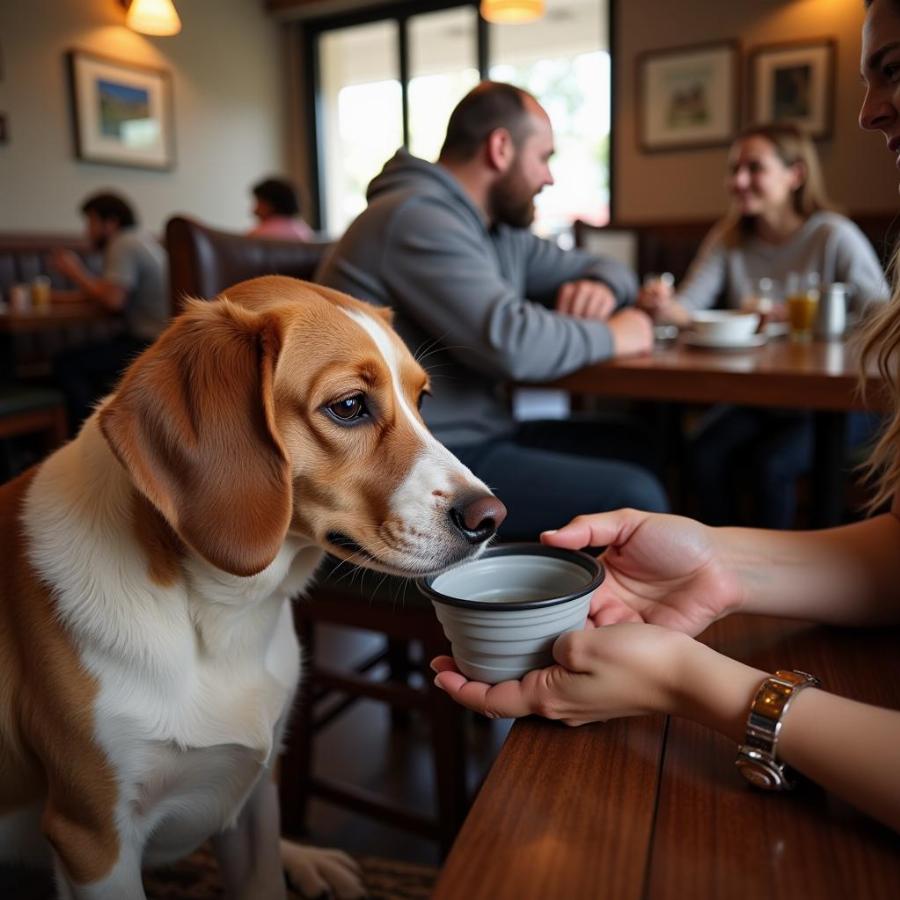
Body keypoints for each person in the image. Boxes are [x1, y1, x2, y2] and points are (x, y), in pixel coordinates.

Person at [430, 0, 900, 835]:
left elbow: (559, 288)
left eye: (892, 70)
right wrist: (717, 561)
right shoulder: (435, 221)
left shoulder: (831, 235)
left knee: (688, 459)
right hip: (465, 447)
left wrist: (692, 681)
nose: (866, 112)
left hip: (821, 410)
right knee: (687, 457)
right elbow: (639, 307)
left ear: (793, 176)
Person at [317, 81, 667, 539]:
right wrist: (619, 334)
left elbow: (605, 266)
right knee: (633, 493)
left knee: (647, 443)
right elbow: (511, 342)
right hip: (421, 453)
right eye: (544, 158)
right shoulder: (416, 217)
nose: (549, 177)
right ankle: (597, 611)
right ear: (500, 148)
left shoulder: (497, 232)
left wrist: (602, 283)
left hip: (486, 432)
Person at [640, 123, 889, 529]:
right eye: (734, 168)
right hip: (764, 396)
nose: (738, 181)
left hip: (839, 401)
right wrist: (660, 304)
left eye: (754, 168)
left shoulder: (833, 235)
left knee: (771, 465)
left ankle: (772, 588)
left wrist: (813, 318)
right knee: (703, 451)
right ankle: (714, 559)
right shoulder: (730, 237)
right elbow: (689, 306)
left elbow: (884, 318)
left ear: (796, 174)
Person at [48, 191, 169, 432]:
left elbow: (113, 301)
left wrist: (75, 272)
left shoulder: (122, 243)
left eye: (91, 222)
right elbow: (110, 292)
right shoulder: (141, 239)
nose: (87, 231)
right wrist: (60, 298)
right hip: (164, 338)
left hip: (148, 343)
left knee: (66, 364)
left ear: (110, 222)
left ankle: (87, 436)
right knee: (82, 360)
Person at [249, 176, 315, 241]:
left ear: (271, 205)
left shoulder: (257, 236)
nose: (254, 211)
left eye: (259, 203)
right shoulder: (305, 233)